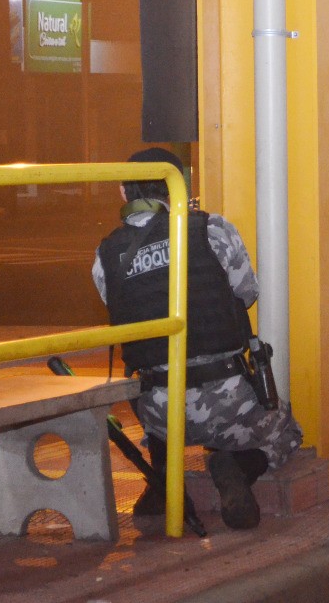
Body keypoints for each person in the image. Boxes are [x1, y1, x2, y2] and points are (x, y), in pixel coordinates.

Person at [92, 147, 302, 530]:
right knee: (288, 431)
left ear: (124, 193)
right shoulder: (212, 228)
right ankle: (236, 465)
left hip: (158, 410)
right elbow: (247, 293)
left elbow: (120, 307)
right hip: (227, 399)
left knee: (150, 406)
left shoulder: (106, 253)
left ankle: (163, 481)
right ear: (179, 186)